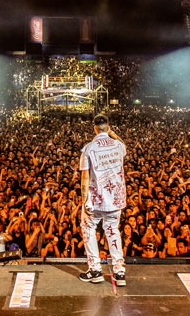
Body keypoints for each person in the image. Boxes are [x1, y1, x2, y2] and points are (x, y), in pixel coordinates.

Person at [78, 114, 127, 286]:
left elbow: (85, 178)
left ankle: (95, 270)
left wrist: (84, 201)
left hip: (96, 200)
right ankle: (119, 272)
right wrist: (113, 135)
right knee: (113, 230)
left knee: (88, 228)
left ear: (94, 128)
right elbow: (124, 147)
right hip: (115, 199)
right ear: (108, 127)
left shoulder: (88, 149)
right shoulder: (118, 145)